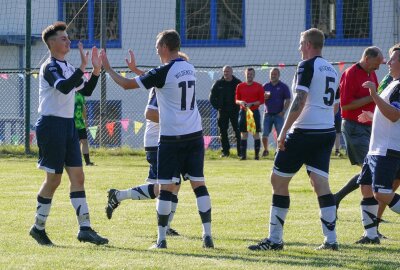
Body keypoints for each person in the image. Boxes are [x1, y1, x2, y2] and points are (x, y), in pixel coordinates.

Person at [100, 29, 214, 249]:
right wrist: (138, 71)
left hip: (171, 137)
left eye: (156, 46)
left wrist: (108, 68)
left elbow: (127, 85)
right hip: (194, 135)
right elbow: (164, 80)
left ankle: (161, 240)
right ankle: (207, 235)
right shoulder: (189, 68)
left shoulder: (163, 71)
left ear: (163, 47)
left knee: (165, 187)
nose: (155, 50)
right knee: (199, 185)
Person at [248, 28, 340, 251]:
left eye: (301, 43)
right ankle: (331, 240)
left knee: (278, 181)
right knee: (321, 184)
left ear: (308, 44)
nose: (299, 47)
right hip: (326, 131)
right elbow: (336, 105)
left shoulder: (306, 65)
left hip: (304, 132)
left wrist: (284, 131)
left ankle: (275, 240)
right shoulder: (333, 70)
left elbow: (299, 99)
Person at [29, 21, 108, 246]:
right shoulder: (50, 66)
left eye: (68, 37)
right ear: (52, 43)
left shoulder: (69, 67)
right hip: (51, 126)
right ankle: (38, 227)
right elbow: (64, 87)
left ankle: (85, 229)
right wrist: (82, 68)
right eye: (63, 38)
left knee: (78, 177)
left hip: (68, 126)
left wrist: (95, 70)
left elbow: (88, 89)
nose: (68, 40)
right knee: (53, 180)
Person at [105, 50, 186, 237]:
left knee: (173, 184)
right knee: (165, 186)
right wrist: (177, 120)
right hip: (157, 141)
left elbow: (153, 79)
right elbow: (149, 113)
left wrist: (136, 70)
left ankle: (165, 226)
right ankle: (118, 195)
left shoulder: (169, 81)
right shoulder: (168, 83)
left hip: (165, 140)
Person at [355, 44, 400, 244]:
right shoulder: (392, 83)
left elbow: (394, 115)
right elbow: (387, 112)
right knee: (366, 188)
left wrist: (373, 95)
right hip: (376, 148)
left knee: (381, 192)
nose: (387, 62)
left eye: (392, 59)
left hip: (388, 149)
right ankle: (371, 236)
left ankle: (371, 235)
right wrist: (372, 115)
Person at [334, 47, 384, 224]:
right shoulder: (350, 74)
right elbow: (345, 106)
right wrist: (372, 97)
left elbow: (375, 97)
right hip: (354, 128)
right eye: (377, 64)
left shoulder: (371, 73)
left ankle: (336, 200)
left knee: (369, 169)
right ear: (367, 58)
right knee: (371, 169)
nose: (378, 68)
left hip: (369, 127)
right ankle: (372, 220)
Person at [209, 66, 242, 157]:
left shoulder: (238, 83)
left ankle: (240, 152)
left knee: (238, 131)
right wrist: (218, 107)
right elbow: (211, 97)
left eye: (227, 71)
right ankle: (225, 152)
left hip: (235, 111)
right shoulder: (218, 83)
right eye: (224, 71)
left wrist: (240, 107)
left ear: (232, 72)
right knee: (223, 132)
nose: (226, 73)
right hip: (222, 111)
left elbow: (243, 96)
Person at [235, 67, 265, 160]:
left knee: (255, 134)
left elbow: (262, 100)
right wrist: (241, 102)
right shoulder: (240, 86)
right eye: (248, 74)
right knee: (243, 134)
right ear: (245, 74)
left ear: (254, 75)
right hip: (243, 112)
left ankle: (256, 156)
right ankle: (243, 156)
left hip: (254, 112)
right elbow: (236, 100)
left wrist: (252, 104)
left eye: (251, 74)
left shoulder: (259, 86)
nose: (249, 75)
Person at [262, 67, 291, 157]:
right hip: (267, 114)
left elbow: (288, 99)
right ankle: (265, 150)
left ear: (278, 75)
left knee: (280, 134)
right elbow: (259, 98)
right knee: (264, 134)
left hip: (279, 115)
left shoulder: (283, 86)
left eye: (275, 74)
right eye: (272, 74)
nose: (273, 76)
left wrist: (283, 111)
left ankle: (278, 151)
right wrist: (263, 97)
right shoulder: (265, 86)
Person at [74, 91, 95, 166]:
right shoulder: (68, 93)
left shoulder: (81, 94)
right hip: (70, 122)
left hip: (80, 123)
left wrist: (85, 120)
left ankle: (87, 162)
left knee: (84, 141)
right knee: (74, 143)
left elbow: (83, 107)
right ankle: (73, 161)